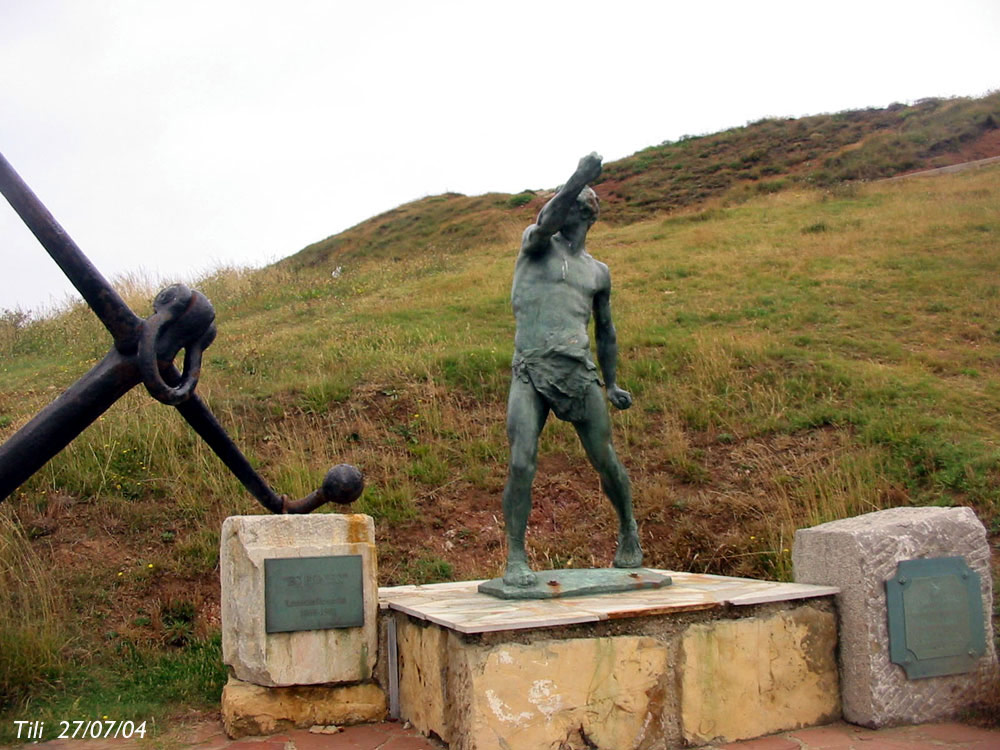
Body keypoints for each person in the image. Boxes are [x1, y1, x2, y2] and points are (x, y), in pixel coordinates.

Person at [502, 152, 641, 586]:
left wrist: (613, 382)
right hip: (530, 369)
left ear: (583, 213)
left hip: (579, 372)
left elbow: (607, 332)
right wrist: (577, 176)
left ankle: (628, 529)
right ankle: (516, 557)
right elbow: (545, 219)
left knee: (606, 461)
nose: (556, 209)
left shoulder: (597, 272)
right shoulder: (537, 243)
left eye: (567, 201)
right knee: (521, 462)